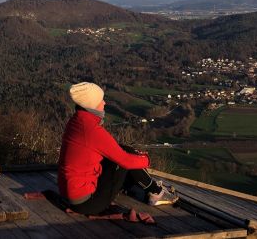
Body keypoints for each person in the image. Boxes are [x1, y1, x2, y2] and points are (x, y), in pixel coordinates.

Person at [58, 82, 178, 215]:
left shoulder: (77, 121)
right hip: (87, 203)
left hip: (71, 195)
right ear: (91, 105)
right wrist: (146, 160)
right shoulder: (91, 130)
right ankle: (155, 192)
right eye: (100, 100)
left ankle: (153, 189)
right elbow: (125, 160)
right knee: (126, 156)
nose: (104, 103)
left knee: (123, 151)